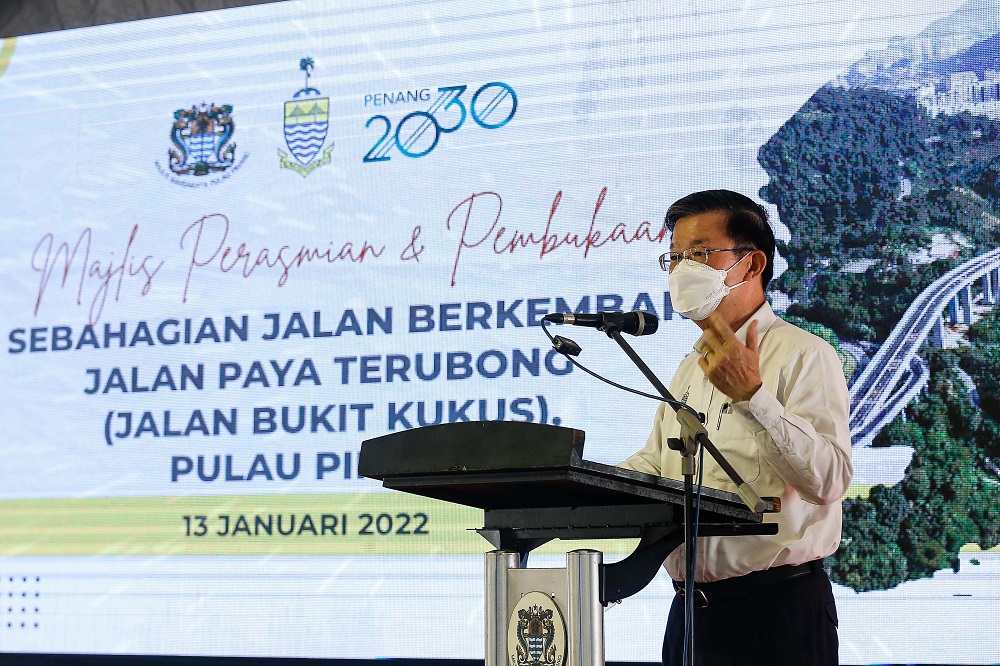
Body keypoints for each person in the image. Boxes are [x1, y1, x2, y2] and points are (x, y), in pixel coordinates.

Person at [619, 189, 853, 666]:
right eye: (674, 257)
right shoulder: (690, 367)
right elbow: (657, 465)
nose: (682, 268)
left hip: (774, 611)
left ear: (751, 265)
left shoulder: (804, 354)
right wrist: (577, 484)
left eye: (700, 254)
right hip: (690, 614)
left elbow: (828, 480)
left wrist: (753, 397)